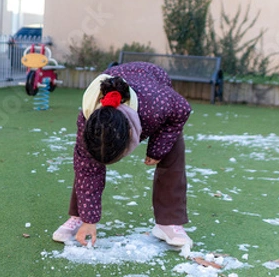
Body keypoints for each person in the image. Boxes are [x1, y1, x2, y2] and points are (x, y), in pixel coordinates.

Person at [52, 61, 193, 247]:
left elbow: (181, 110)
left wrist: (157, 149)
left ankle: (168, 222)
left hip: (151, 84)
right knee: (86, 165)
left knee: (172, 149)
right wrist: (90, 220)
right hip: (116, 85)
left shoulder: (157, 105)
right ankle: (79, 217)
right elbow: (87, 170)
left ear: (131, 136)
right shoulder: (88, 120)